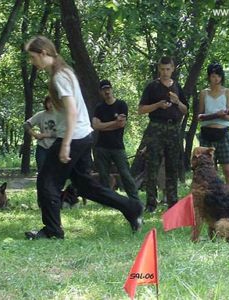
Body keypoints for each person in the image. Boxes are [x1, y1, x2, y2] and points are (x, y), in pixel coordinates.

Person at [24, 35, 143, 239]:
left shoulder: (60, 76)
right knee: (85, 186)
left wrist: (66, 144)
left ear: (44, 53)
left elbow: (71, 111)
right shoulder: (63, 71)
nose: (32, 62)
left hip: (74, 137)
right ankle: (132, 207)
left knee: (47, 182)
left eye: (33, 57)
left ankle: (53, 231)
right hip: (83, 135)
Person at [138, 56, 188, 213]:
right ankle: (151, 204)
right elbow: (141, 109)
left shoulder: (177, 87)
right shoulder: (152, 86)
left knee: (173, 166)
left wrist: (177, 101)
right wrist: (158, 105)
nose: (165, 72)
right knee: (152, 166)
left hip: (173, 130)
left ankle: (173, 203)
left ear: (173, 69)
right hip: (156, 128)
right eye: (162, 69)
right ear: (159, 69)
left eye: (168, 69)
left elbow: (185, 110)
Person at [92, 80, 140, 202]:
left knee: (125, 174)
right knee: (103, 176)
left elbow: (121, 124)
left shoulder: (121, 105)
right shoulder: (99, 107)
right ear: (100, 92)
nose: (107, 91)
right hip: (101, 147)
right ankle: (107, 200)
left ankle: (134, 199)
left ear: (112, 89)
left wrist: (104, 125)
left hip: (117, 147)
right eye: (104, 89)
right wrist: (114, 122)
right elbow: (95, 126)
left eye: (108, 88)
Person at [197, 62, 229, 194]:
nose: (216, 79)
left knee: (228, 171)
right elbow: (200, 116)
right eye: (213, 76)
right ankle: (211, 198)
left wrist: (224, 115)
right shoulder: (204, 93)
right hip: (207, 134)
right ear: (209, 77)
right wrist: (215, 115)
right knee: (208, 171)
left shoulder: (228, 92)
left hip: (223, 133)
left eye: (218, 76)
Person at [24, 95, 57, 172]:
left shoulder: (61, 115)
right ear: (45, 103)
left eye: (53, 102)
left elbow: (65, 132)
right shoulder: (41, 115)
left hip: (57, 147)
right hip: (42, 148)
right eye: (49, 102)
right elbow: (26, 125)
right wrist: (34, 134)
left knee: (55, 172)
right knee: (42, 172)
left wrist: (45, 135)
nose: (51, 104)